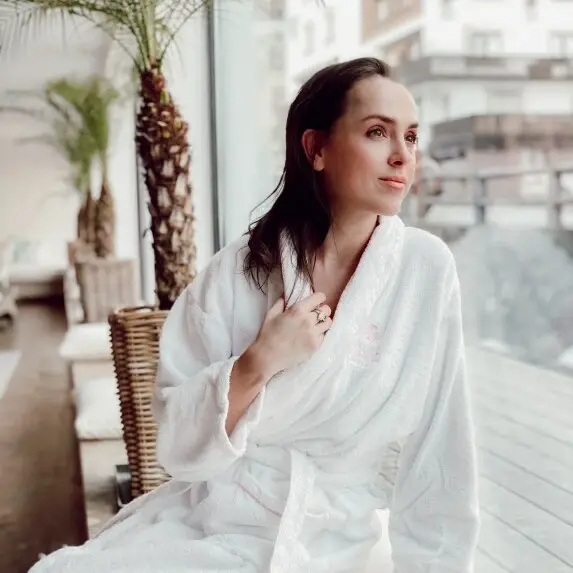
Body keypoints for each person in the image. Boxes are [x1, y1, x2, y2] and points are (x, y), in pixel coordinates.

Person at [30, 57, 479, 573]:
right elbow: (175, 447)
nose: (403, 156)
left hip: (332, 535)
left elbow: (442, 445)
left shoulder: (425, 268)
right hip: (217, 520)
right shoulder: (241, 270)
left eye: (413, 138)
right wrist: (257, 363)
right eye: (378, 132)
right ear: (316, 149)